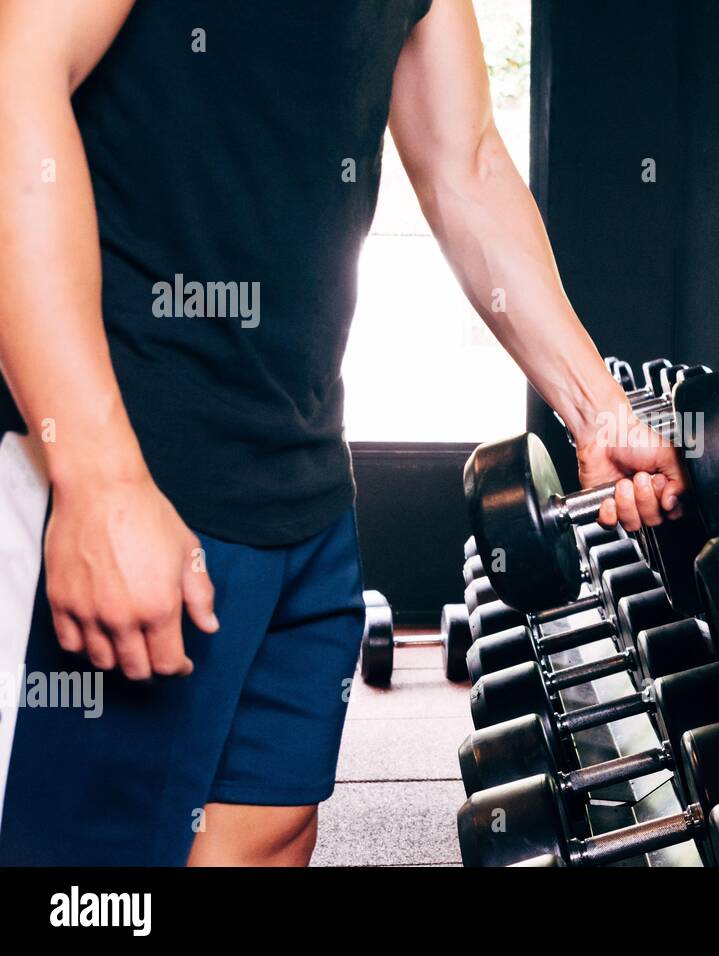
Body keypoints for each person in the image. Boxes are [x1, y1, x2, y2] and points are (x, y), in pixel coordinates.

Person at [0, 0, 684, 865]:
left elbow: (463, 162)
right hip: (127, 472)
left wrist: (598, 409)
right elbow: (14, 80)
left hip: (305, 486)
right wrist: (97, 482)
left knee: (266, 836)